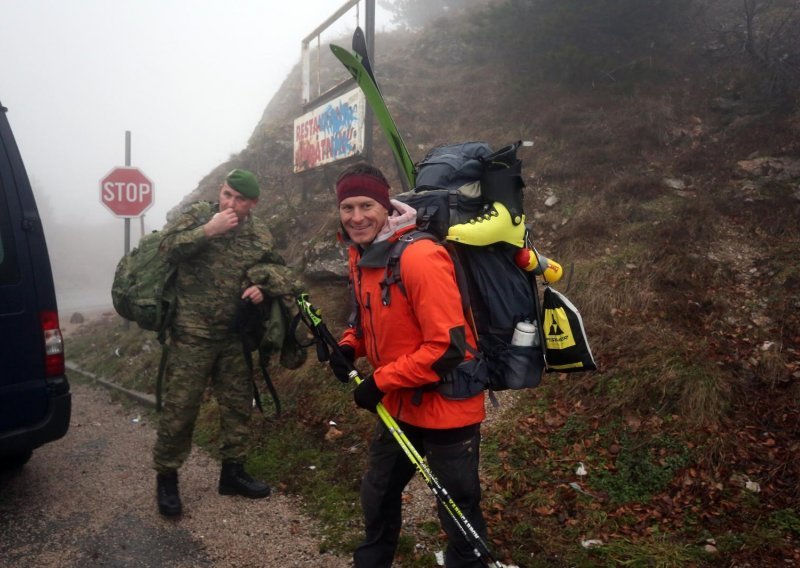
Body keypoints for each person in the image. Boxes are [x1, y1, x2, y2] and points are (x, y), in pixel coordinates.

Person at [330, 162, 488, 567]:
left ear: (386, 206)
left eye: (366, 205)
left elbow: (448, 347)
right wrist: (350, 346)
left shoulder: (420, 256)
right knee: (378, 492)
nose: (357, 217)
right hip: (400, 403)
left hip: (447, 407)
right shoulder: (360, 255)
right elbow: (368, 317)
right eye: (347, 207)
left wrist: (380, 381)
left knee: (457, 507)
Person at [153, 168, 301, 517]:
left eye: (240, 199)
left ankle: (232, 472)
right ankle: (167, 477)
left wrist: (262, 285)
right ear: (220, 191)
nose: (231, 203)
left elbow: (283, 271)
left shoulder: (259, 231)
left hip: (234, 336)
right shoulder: (198, 216)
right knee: (181, 408)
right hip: (192, 335)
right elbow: (166, 249)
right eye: (227, 194)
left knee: (237, 405)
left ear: (253, 203)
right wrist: (207, 231)